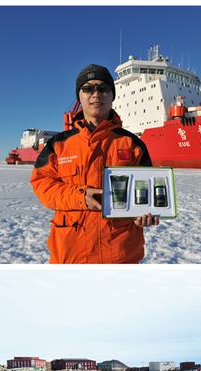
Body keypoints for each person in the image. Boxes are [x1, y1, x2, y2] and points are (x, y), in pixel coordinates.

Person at [31, 63, 159, 264]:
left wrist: (145, 214)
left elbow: (147, 192)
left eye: (103, 88)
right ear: (79, 96)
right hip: (70, 256)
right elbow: (42, 186)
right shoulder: (58, 144)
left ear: (112, 95)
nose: (96, 94)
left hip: (120, 256)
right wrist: (81, 197)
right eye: (88, 88)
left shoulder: (133, 144)